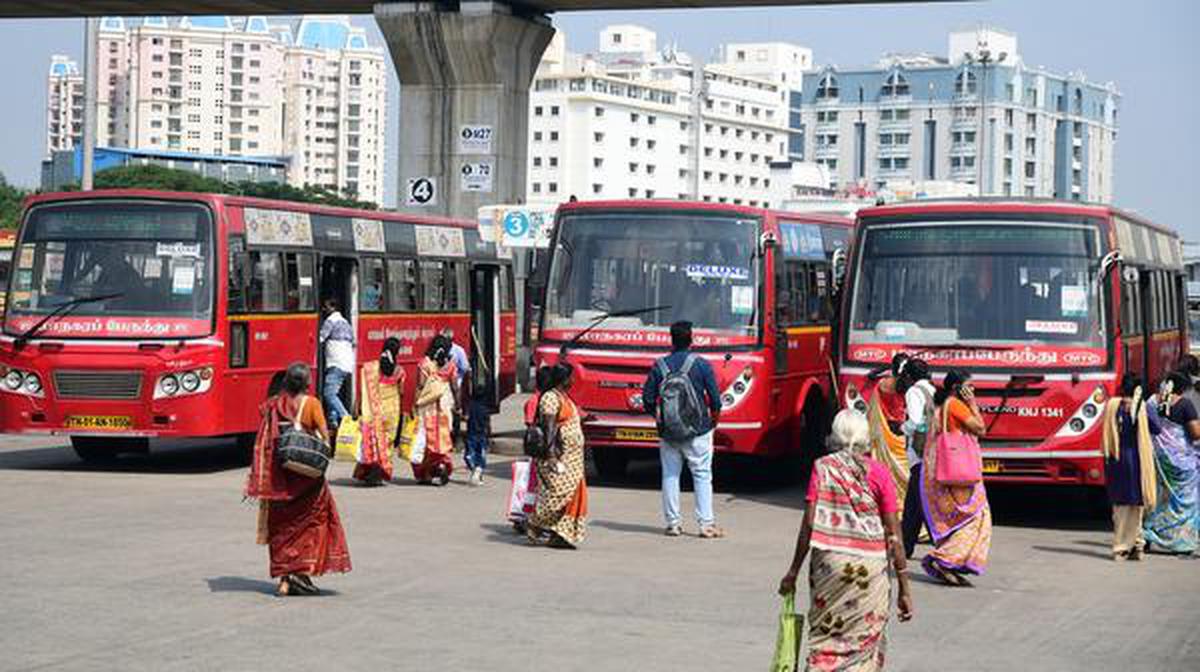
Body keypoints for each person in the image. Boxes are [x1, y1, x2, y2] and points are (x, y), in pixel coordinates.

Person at [778, 410, 914, 671]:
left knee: (826, 639)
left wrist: (793, 571)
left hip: (830, 565)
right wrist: (905, 588)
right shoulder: (879, 473)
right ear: (866, 437)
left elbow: (809, 523)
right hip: (870, 570)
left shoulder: (823, 468)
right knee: (864, 642)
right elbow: (894, 533)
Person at [245, 362, 351, 596]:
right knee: (312, 523)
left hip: (279, 478)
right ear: (307, 383)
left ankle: (285, 579)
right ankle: (300, 572)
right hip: (307, 478)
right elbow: (324, 437)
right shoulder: (311, 404)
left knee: (282, 528)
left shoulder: (273, 405)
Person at [642, 321, 725, 539]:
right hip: (698, 430)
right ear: (691, 339)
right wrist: (712, 422)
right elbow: (715, 400)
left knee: (670, 474)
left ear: (671, 339)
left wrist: (662, 419)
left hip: (669, 432)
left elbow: (648, 399)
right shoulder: (701, 365)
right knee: (702, 474)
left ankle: (673, 524)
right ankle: (706, 524)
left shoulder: (660, 366)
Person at [919, 368, 992, 586]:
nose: (972, 389)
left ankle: (952, 561)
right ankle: (944, 559)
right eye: (969, 386)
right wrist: (973, 404)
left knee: (962, 520)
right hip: (962, 474)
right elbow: (981, 429)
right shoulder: (957, 406)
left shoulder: (942, 407)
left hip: (946, 472)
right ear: (956, 388)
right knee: (976, 518)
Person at [527, 362, 589, 549]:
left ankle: (561, 534)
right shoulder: (550, 398)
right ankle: (534, 522)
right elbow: (549, 428)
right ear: (564, 379)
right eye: (571, 377)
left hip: (573, 459)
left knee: (574, 495)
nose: (573, 380)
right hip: (559, 457)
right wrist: (551, 455)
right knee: (558, 493)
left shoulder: (564, 397)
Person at [1100, 373, 1159, 561]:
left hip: (1117, 459)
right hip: (1138, 461)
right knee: (1136, 505)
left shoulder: (1112, 406)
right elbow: (1156, 428)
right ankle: (1133, 546)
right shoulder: (1141, 407)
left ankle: (1124, 546)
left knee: (1120, 506)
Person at [1142, 371, 1200, 554]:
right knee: (1186, 501)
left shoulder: (1151, 402)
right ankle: (1180, 542)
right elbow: (1195, 434)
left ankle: (1149, 533)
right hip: (1182, 461)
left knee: (1160, 498)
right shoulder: (1185, 404)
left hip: (1159, 459)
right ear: (1182, 389)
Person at [353, 337, 406, 486]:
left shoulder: (370, 368)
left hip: (372, 410)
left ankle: (371, 472)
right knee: (386, 443)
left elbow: (363, 392)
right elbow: (401, 393)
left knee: (372, 441)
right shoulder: (399, 371)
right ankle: (379, 473)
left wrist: (356, 407)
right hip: (391, 412)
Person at [898, 358, 936, 559]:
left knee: (917, 503)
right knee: (917, 502)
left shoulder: (913, 392)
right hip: (932, 451)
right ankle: (906, 546)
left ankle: (939, 544)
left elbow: (914, 421)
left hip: (918, 452)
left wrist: (902, 428)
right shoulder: (932, 389)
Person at [412, 335, 457, 486]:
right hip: (444, 405)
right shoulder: (450, 365)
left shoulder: (424, 364)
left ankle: (425, 474)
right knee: (442, 439)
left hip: (428, 407)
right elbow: (456, 387)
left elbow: (420, 386)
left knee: (426, 440)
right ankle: (441, 466)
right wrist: (458, 405)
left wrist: (415, 404)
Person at [319, 299, 355, 432]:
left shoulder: (330, 321)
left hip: (336, 363)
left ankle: (346, 418)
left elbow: (320, 338)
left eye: (326, 307)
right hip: (346, 363)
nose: (324, 310)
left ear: (332, 307)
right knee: (335, 392)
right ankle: (333, 420)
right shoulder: (346, 322)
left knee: (328, 394)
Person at [464, 391, 492, 486]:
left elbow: (466, 418)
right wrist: (489, 435)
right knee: (481, 454)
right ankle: (478, 471)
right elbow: (487, 424)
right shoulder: (485, 409)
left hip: (471, 434)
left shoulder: (470, 407)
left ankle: (474, 469)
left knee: (470, 453)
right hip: (482, 435)